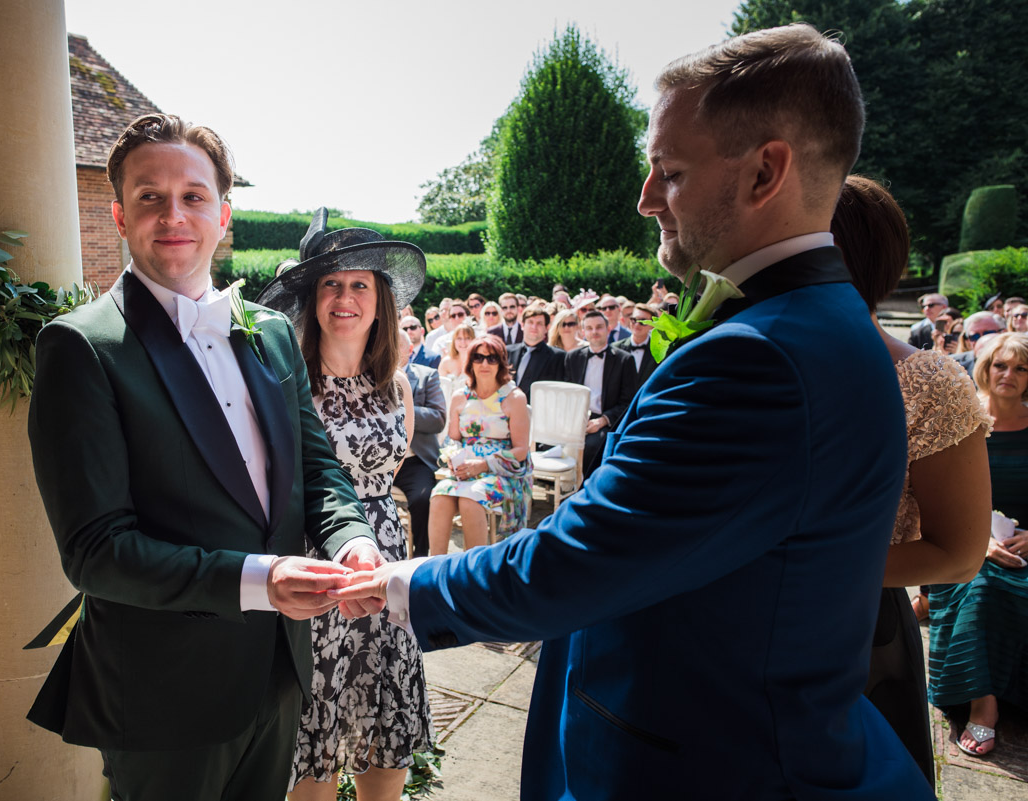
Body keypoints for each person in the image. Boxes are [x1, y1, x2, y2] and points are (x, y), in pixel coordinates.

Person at [335, 25, 932, 799]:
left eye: (669, 172)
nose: (646, 197)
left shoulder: (760, 358)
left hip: (705, 762)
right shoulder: (823, 320)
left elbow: (579, 560)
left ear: (765, 172)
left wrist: (398, 583)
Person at [25, 115, 377, 801]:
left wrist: (352, 539)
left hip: (277, 672)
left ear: (224, 215)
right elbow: (96, 552)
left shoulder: (272, 332)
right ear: (120, 216)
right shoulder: (81, 347)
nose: (173, 215)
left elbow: (316, 468)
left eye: (193, 195)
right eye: (150, 197)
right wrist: (261, 580)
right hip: (163, 693)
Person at [253, 210, 434, 800]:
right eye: (331, 284)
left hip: (384, 563)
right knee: (317, 746)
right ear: (312, 299)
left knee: (386, 732)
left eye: (360, 285)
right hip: (315, 567)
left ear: (381, 303)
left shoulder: (398, 386)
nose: (345, 297)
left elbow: (393, 472)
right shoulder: (285, 384)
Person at [832, 174, 991, 783]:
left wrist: (805, 565)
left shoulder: (927, 382)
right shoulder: (735, 361)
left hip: (858, 630)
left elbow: (959, 552)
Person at [928, 331, 1028, 759]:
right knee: (982, 586)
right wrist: (981, 542)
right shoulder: (965, 420)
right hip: (964, 539)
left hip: (1024, 547)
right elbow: (938, 495)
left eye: (1021, 368)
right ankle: (981, 703)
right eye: (1000, 365)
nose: (1009, 374)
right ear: (985, 369)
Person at [428, 334, 531, 554]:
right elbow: (453, 439)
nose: (484, 363)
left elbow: (521, 450)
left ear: (501, 362)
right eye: (478, 357)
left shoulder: (514, 398)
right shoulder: (460, 396)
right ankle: (435, 565)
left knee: (469, 499)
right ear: (470, 362)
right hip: (465, 470)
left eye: (491, 358)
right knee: (439, 496)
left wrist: (483, 464)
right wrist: (453, 458)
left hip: (501, 471)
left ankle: (474, 568)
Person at [563, 311, 636, 478]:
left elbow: (628, 402)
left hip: (604, 420)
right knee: (550, 444)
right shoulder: (572, 358)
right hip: (576, 419)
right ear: (583, 332)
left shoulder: (624, 360)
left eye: (599, 327)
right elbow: (567, 395)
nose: (594, 332)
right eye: (589, 328)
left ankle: (587, 487)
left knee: (592, 447)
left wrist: (602, 421)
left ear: (608, 329)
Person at [395, 330, 447, 559]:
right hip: (380, 460)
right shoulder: (370, 376)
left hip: (415, 460)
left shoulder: (427, 376)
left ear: (410, 350)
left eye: (396, 345)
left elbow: (438, 419)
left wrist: (402, 406)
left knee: (422, 499)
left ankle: (420, 555)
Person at [506, 302, 565, 403]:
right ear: (522, 325)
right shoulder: (507, 352)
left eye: (539, 323)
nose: (534, 327)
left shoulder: (558, 357)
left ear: (547, 328)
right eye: (530, 322)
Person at [612, 302, 660, 395]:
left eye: (643, 321)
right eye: (634, 320)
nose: (637, 324)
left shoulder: (658, 350)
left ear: (652, 325)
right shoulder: (615, 348)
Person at [953, 311, 1006, 377]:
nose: (982, 339)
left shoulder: (1016, 361)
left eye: (988, 333)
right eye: (975, 336)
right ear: (968, 340)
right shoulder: (954, 366)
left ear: (1003, 332)